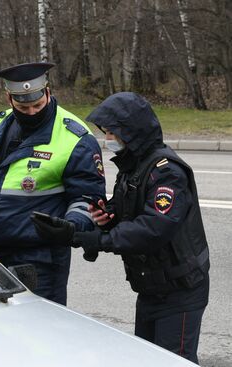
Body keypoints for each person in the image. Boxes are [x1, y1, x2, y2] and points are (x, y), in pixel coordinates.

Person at [35, 92, 210, 363]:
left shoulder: (166, 171)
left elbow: (153, 228)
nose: (108, 139)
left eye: (112, 133)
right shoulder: (134, 165)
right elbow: (127, 206)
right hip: (151, 287)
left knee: (174, 361)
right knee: (145, 358)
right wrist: (109, 214)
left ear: (132, 132)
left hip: (179, 290)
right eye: (106, 133)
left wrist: (93, 239)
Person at [0, 62, 106, 305]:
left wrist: (71, 226)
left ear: (48, 92)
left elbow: (88, 198)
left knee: (41, 332)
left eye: (38, 104)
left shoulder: (74, 137)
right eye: (23, 107)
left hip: (42, 256)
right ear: (9, 98)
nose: (32, 112)